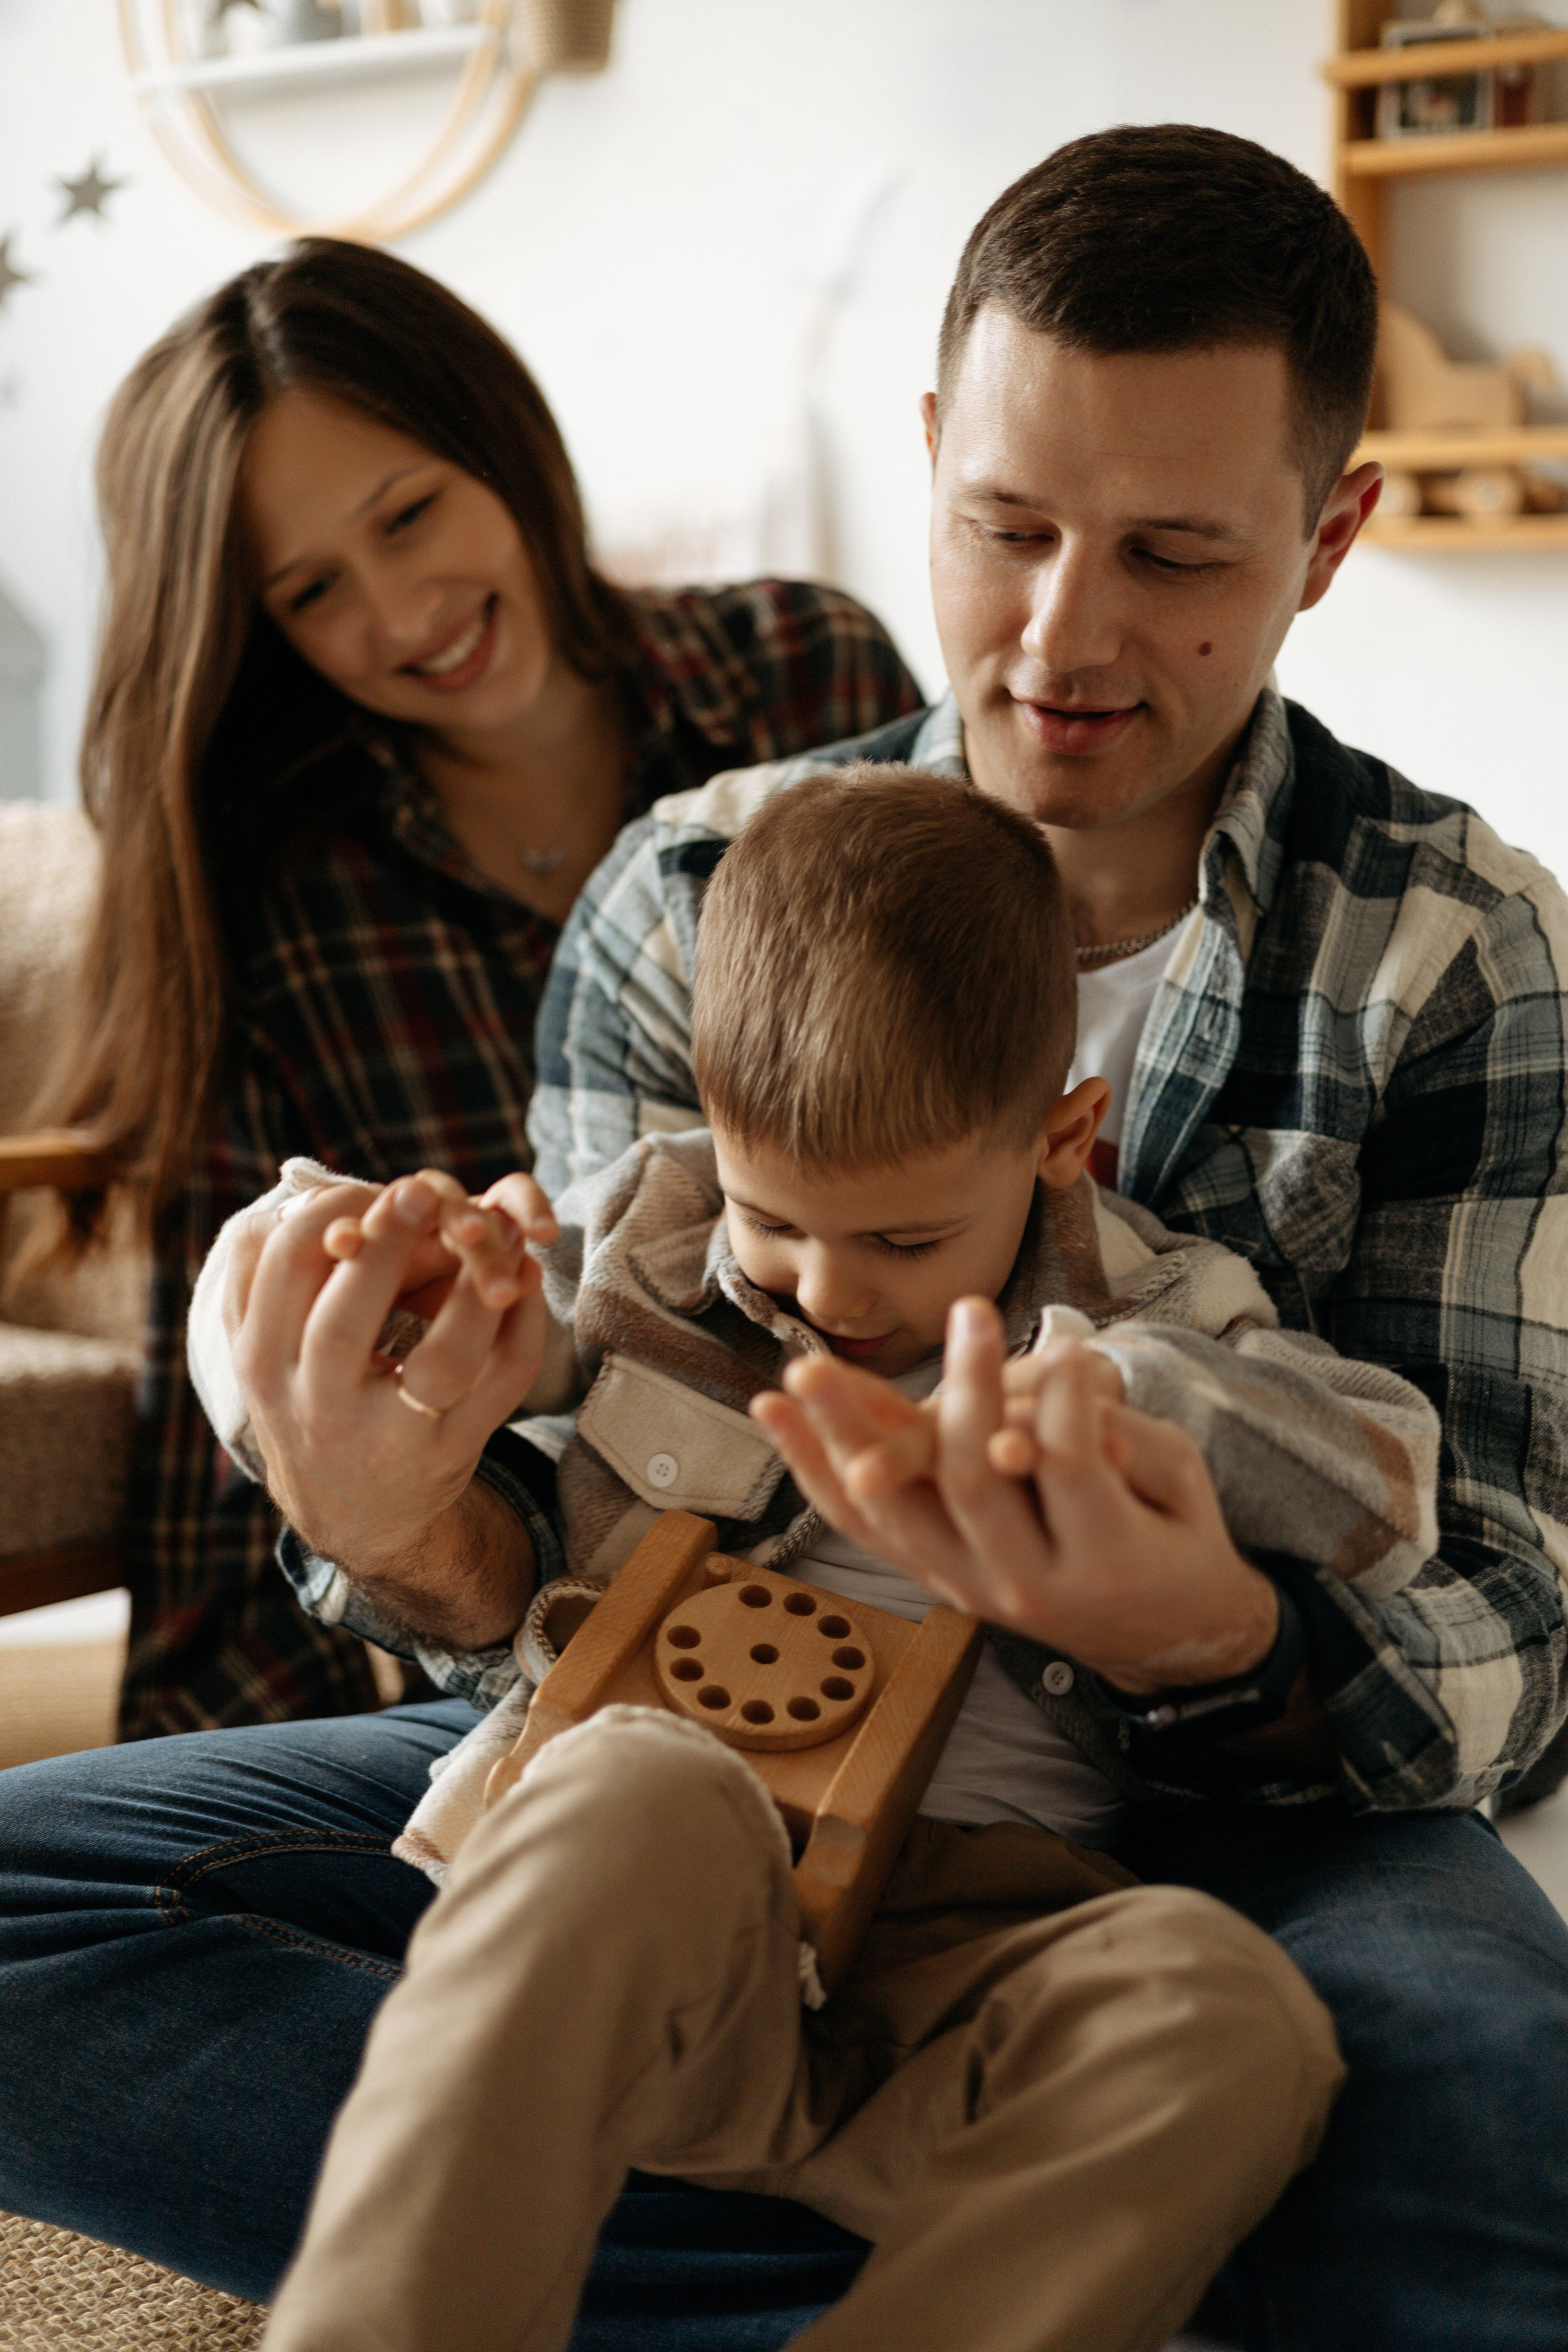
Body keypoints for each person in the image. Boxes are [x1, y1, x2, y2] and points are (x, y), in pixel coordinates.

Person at [2, 124, 1566, 2350]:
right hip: (693, 1766)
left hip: (1221, 1813)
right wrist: (402, 1517)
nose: (1063, 632)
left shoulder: (1456, 957)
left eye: (1174, 552)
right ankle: (1094, 2265)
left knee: (1483, 2091)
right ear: (926, 457)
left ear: (1329, 537)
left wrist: (1215, 1641)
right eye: (1007, 525)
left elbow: (1513, 1609)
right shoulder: (698, 890)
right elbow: (550, 1554)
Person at [211, 763, 1422, 2352]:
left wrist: (1114, 1402)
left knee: (1232, 2005)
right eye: (777, 1220)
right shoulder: (652, 1239)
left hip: (978, 1944)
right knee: (624, 1779)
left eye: (906, 1241)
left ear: (1063, 1140)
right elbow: (396, 1335)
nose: (829, 1290)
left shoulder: (1156, 1315)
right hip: (668, 1911)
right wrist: (393, 1281)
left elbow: (1392, 1482)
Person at [35, 235, 922, 1740]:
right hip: (500, 1610)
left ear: (496, 444)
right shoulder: (271, 886)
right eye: (315, 589)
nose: (402, 616)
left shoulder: (805, 677)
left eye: (410, 512)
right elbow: (245, 1391)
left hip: (892, 1534)